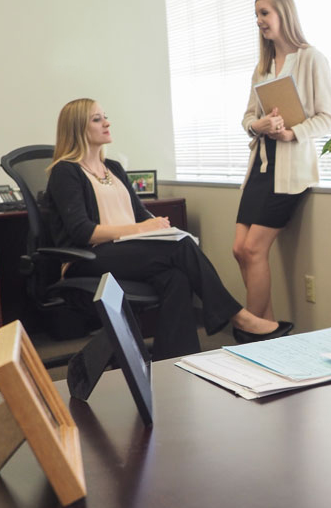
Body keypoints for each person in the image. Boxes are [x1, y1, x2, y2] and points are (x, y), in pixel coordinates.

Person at [45, 98, 293, 358]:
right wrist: (140, 229)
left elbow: (141, 215)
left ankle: (175, 361)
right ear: (77, 128)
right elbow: (82, 232)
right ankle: (239, 318)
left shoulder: (113, 168)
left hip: (124, 253)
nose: (107, 122)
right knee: (181, 247)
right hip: (89, 258)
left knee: (178, 277)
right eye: (97, 119)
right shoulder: (66, 172)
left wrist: (159, 226)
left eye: (105, 116)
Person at [233, 0, 331, 325]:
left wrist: (292, 133)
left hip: (290, 172)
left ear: (284, 15)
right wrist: (258, 125)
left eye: (265, 13)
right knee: (239, 250)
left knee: (253, 249)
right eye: (256, 15)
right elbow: (248, 117)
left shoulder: (311, 59)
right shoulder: (262, 67)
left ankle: (255, 331)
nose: (259, 21)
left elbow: (328, 116)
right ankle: (269, 326)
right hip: (262, 168)